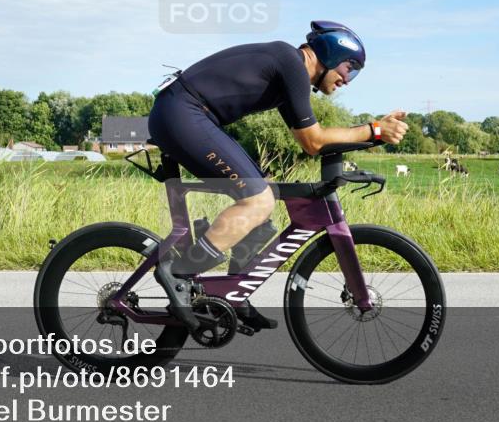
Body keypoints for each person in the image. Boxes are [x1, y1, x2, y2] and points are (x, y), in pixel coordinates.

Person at [147, 21, 408, 331]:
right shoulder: (291, 64)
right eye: (348, 68)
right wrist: (374, 130)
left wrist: (374, 134)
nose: (347, 80)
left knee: (265, 194)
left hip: (186, 113)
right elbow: (314, 141)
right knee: (258, 201)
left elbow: (309, 143)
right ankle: (178, 274)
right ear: (330, 54)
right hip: (183, 112)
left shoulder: (288, 71)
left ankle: (232, 292)